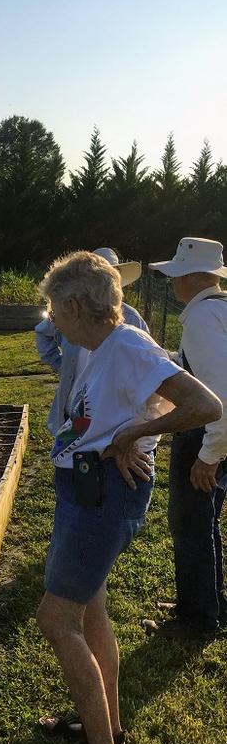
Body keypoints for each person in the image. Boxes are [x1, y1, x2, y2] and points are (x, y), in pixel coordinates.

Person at [35, 251, 220, 744]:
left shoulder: (129, 346)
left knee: (55, 620)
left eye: (53, 310)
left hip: (101, 502)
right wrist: (133, 433)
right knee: (91, 612)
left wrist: (139, 432)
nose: (52, 321)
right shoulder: (101, 347)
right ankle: (106, 722)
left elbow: (206, 403)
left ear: (74, 306)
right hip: (86, 492)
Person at [145, 237, 227, 638]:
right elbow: (206, 368)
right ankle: (209, 602)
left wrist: (208, 455)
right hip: (219, 435)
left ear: (194, 278)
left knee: (190, 523)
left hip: (208, 434)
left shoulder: (200, 319)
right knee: (204, 521)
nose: (172, 282)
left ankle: (196, 621)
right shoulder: (219, 310)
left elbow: (221, 393)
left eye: (177, 274)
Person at [35, 247, 147, 435]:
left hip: (109, 425)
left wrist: (134, 436)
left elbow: (146, 387)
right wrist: (61, 365)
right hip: (73, 410)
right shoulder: (69, 312)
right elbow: (43, 331)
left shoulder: (132, 322)